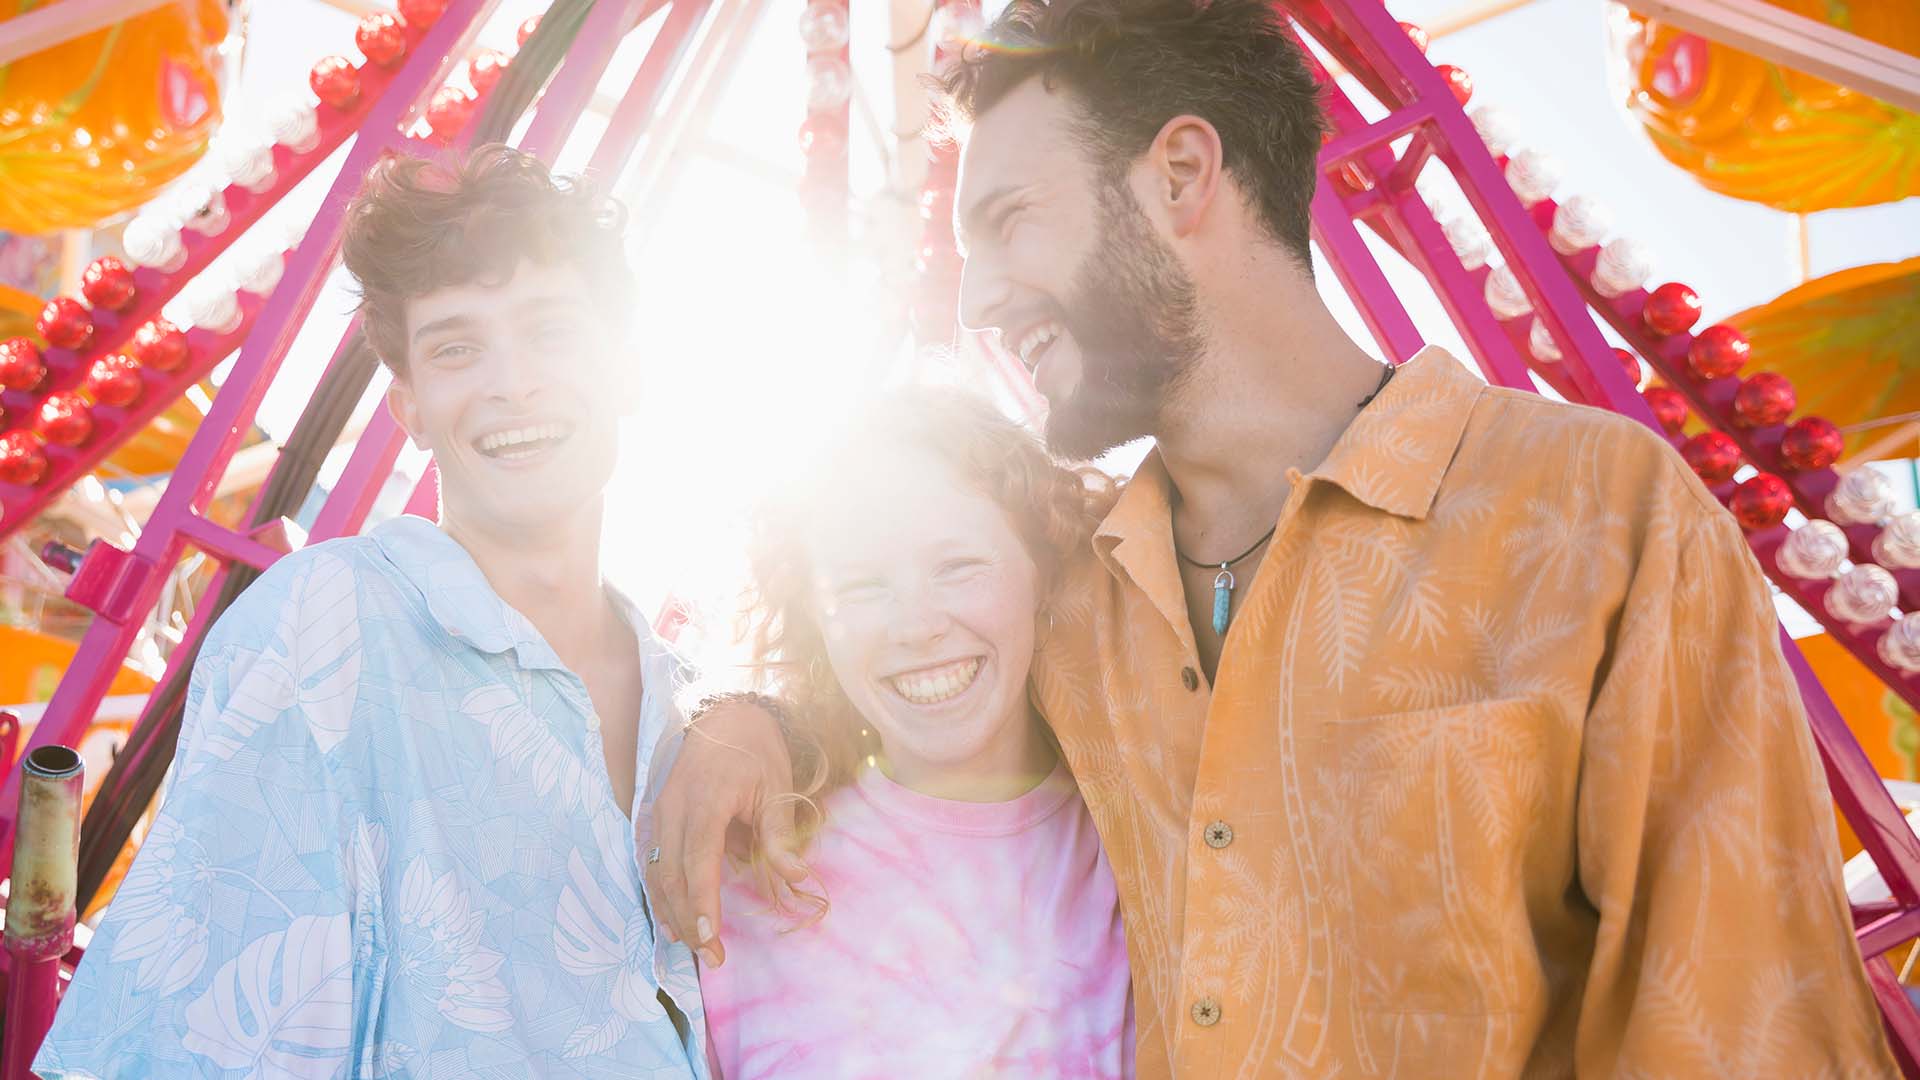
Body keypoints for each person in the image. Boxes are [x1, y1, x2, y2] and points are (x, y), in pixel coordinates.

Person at [643, 0, 1899, 1076]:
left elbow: (1743, 1019)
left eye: (1011, 218)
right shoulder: (1069, 591)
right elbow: (900, 662)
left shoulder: (1590, 515)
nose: (975, 298)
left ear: (1182, 176)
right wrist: (747, 719)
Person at [36, 146, 711, 1078]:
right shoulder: (328, 629)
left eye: (552, 331)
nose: (512, 381)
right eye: (457, 348)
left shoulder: (693, 706)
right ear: (411, 408)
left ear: (627, 371)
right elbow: (208, 1043)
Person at [694, 389, 1132, 1078]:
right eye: (863, 586)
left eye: (957, 567)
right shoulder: (747, 878)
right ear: (815, 619)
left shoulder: (1146, 839)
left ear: (1042, 572)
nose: (917, 625)